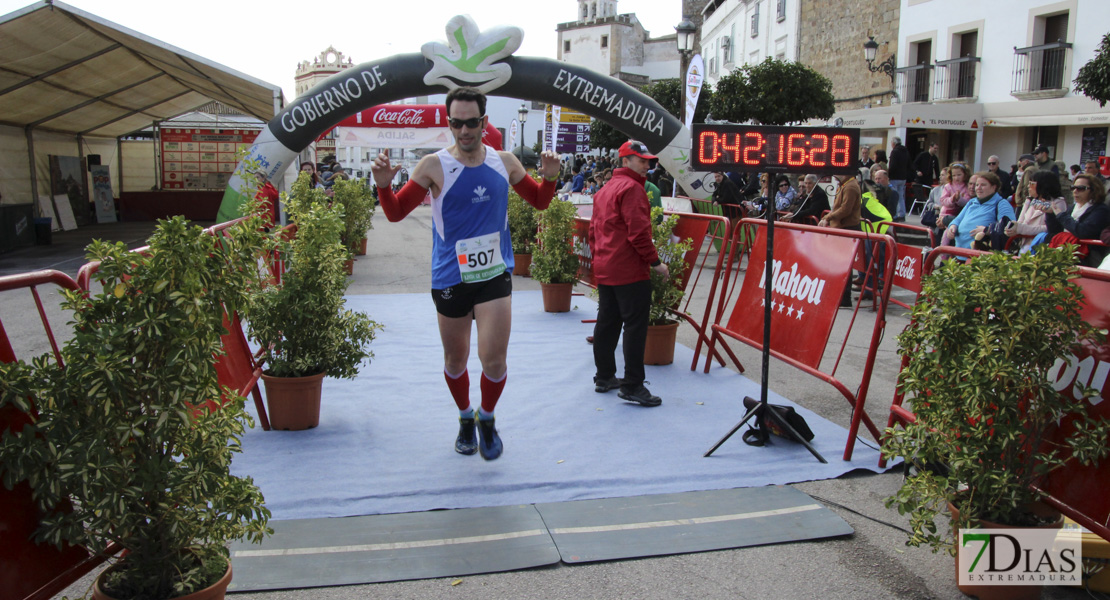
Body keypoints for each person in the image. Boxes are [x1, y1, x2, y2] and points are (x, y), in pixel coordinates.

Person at [370, 87, 560, 460]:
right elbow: (394, 213)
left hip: (493, 275)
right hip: (450, 278)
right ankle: (464, 418)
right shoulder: (433, 166)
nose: (464, 130)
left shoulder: (504, 162)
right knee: (456, 361)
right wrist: (382, 186)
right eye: (456, 123)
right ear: (449, 123)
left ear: (484, 122)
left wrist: (550, 177)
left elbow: (539, 201)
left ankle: (486, 418)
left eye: (471, 122)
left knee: (494, 361)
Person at [590, 140, 669, 407]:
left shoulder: (605, 189)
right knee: (634, 327)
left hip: (606, 266)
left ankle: (604, 376)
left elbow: (593, 232)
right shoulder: (633, 189)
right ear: (626, 161)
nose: (647, 164)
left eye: (647, 160)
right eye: (641, 160)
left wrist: (601, 257)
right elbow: (639, 234)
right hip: (629, 270)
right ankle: (633, 384)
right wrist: (656, 262)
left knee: (607, 322)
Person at [819, 172, 862, 308]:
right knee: (839, 264)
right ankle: (840, 296)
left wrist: (828, 217)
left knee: (844, 265)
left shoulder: (850, 187)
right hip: (842, 227)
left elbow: (845, 209)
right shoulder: (845, 185)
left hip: (847, 228)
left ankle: (845, 298)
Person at [945, 171, 1016, 249]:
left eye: (983, 185)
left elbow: (1009, 226)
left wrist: (987, 230)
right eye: (977, 185)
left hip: (981, 256)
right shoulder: (972, 202)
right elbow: (958, 219)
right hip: (959, 252)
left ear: (994, 187)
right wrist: (952, 226)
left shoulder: (1001, 203)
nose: (978, 188)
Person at [1044, 174, 1109, 243]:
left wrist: (1061, 215)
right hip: (1066, 248)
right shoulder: (1072, 207)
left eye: (1081, 188)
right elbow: (1056, 231)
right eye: (1073, 188)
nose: (1075, 191)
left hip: (1087, 251)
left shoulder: (1101, 210)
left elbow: (1083, 232)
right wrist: (1050, 215)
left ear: (1094, 190)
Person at [1005, 171, 1050, 254]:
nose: (1028, 186)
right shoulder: (1031, 201)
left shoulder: (1055, 203)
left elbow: (1048, 228)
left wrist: (1021, 228)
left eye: (1032, 183)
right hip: (1023, 246)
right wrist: (1012, 229)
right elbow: (1020, 222)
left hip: (1038, 248)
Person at [938, 162, 973, 228]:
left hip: (958, 213)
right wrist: (952, 199)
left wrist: (959, 199)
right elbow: (942, 200)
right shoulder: (948, 186)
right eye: (954, 175)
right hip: (946, 213)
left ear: (965, 175)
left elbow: (967, 201)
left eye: (959, 175)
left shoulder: (966, 187)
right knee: (948, 230)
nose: (956, 178)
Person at [887, 136, 911, 221]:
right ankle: (902, 214)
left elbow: (893, 165)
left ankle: (895, 215)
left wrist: (888, 174)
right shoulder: (905, 151)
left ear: (893, 143)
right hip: (903, 177)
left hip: (895, 177)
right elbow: (909, 164)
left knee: (894, 195)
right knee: (901, 196)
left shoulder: (895, 152)